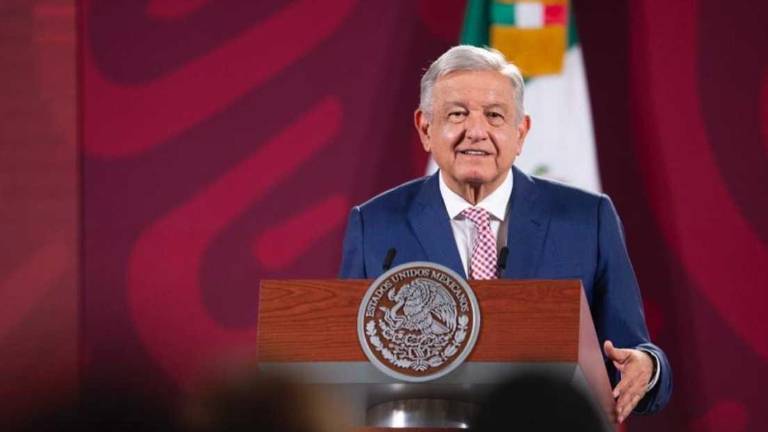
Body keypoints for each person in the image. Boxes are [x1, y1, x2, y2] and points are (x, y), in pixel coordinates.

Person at [339, 45, 671, 422]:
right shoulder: (376, 224)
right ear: (425, 128)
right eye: (457, 114)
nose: (476, 131)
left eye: (495, 116)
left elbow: (633, 349)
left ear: (521, 132)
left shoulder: (587, 219)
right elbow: (344, 360)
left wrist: (647, 365)